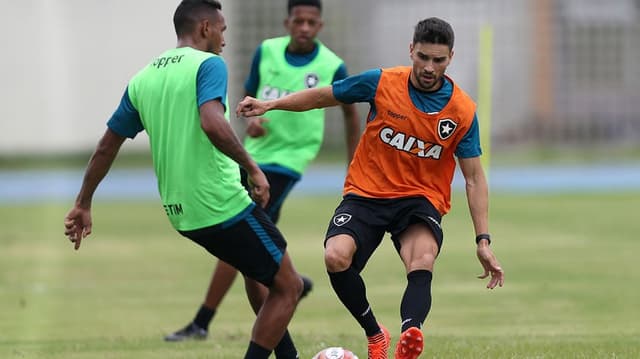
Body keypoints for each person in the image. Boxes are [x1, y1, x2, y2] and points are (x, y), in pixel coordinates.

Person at [237, 17, 505, 359]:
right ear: (411, 50)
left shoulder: (462, 111)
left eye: (438, 60)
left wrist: (483, 240)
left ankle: (411, 333)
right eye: (423, 57)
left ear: (450, 57)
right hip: (366, 194)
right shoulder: (381, 83)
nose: (428, 67)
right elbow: (324, 96)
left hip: (419, 200)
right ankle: (375, 334)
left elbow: (473, 178)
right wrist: (270, 104)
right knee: (335, 257)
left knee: (422, 258)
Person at [62, 1, 304, 358]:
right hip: (220, 202)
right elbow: (211, 121)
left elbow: (106, 146)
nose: (224, 36)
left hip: (182, 214)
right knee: (290, 286)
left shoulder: (143, 78)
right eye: (221, 28)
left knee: (257, 273)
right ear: (205, 28)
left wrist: (83, 202)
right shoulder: (208, 65)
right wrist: (252, 166)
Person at [164, 0, 360, 351]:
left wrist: (354, 163)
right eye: (297, 20)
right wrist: (251, 120)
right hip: (254, 157)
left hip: (288, 161)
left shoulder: (332, 65)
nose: (303, 27)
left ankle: (204, 321)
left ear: (320, 26)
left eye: (310, 22)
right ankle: (287, 291)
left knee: (240, 235)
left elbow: (350, 114)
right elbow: (248, 98)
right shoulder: (266, 51)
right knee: (246, 242)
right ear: (287, 22)